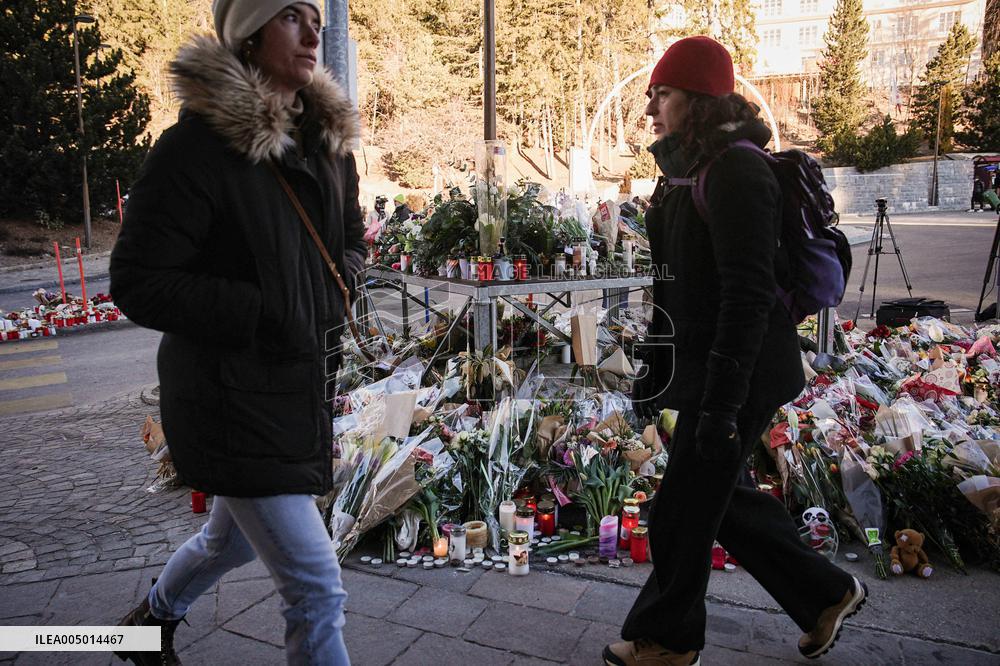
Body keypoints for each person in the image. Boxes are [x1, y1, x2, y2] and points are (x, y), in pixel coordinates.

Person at [109, 1, 365, 664]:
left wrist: (342, 286)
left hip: (296, 391)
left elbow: (350, 241)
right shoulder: (197, 148)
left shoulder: (328, 140)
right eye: (290, 17)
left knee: (232, 540)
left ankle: (149, 623)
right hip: (228, 401)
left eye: (316, 16)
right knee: (316, 587)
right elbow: (138, 280)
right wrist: (266, 308)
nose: (314, 33)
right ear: (249, 36)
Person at [611, 36, 865, 666]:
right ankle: (826, 593)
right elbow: (679, 289)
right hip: (711, 371)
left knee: (682, 511)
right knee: (717, 502)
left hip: (742, 374)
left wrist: (722, 405)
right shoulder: (688, 172)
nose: (650, 111)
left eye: (662, 95)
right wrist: (654, 366)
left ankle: (668, 641)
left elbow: (749, 297)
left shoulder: (737, 171)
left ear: (695, 99)